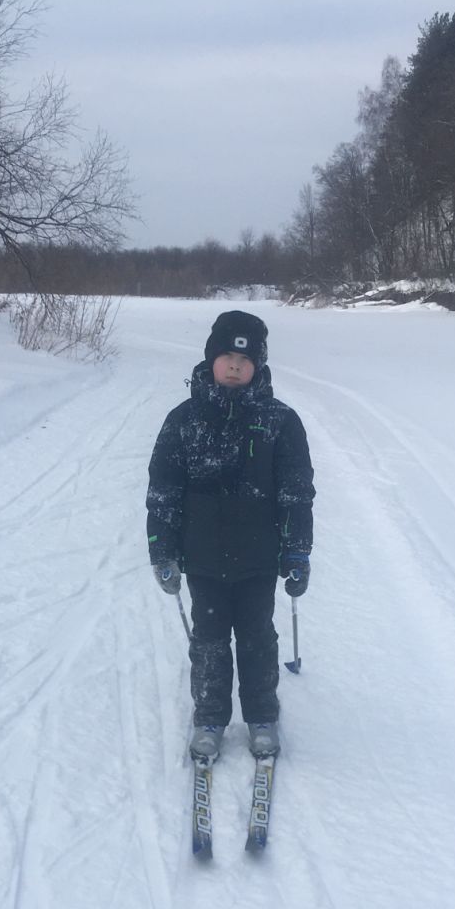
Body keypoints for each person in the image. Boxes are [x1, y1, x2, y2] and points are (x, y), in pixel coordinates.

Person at [146, 309, 314, 761]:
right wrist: (162, 551)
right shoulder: (184, 420)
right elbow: (163, 491)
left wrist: (297, 552)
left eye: (245, 359)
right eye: (226, 356)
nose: (235, 366)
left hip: (259, 559)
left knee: (258, 637)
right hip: (202, 558)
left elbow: (297, 493)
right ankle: (210, 717)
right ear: (210, 360)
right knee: (210, 640)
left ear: (258, 364)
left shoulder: (280, 421)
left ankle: (262, 715)